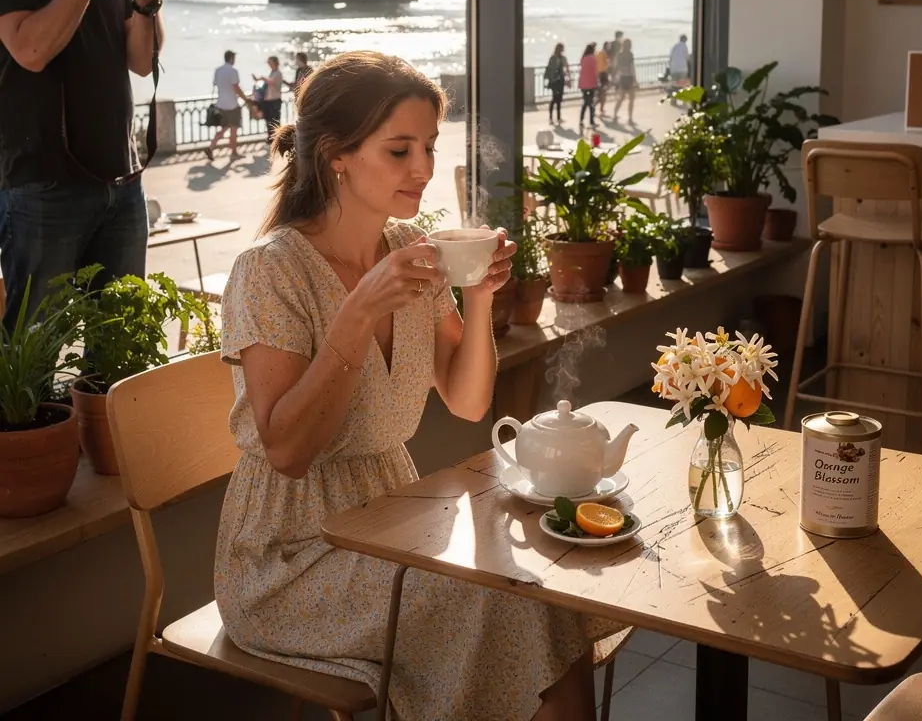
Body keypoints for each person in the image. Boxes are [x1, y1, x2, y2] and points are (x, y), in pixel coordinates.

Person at [214, 51, 619, 721]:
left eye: (429, 146)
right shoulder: (270, 271)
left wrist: (479, 297)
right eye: (399, 150)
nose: (424, 168)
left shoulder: (408, 248)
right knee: (512, 605)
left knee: (538, 591)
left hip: (390, 517)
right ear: (337, 156)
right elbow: (286, 451)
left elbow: (467, 400)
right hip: (290, 558)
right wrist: (356, 315)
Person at [0, 0, 171, 329]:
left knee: (123, 336)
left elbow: (140, 62)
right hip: (42, 185)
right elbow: (30, 50)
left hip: (121, 181)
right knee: (37, 343)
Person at [206, 50, 249, 162]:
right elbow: (236, 87)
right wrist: (245, 98)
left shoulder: (218, 70)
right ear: (231, 58)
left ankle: (211, 147)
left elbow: (215, 84)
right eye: (234, 58)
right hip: (232, 105)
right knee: (233, 129)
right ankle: (234, 153)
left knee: (225, 127)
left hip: (220, 104)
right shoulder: (233, 71)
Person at [252, 55, 284, 148]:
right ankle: (271, 139)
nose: (268, 64)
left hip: (274, 101)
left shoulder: (278, 73)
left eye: (270, 62)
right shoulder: (272, 73)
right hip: (268, 101)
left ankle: (277, 140)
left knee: (275, 121)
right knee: (268, 120)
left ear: (275, 63)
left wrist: (262, 78)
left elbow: (271, 82)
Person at [543, 42, 570, 125]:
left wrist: (568, 79)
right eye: (561, 48)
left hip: (560, 81)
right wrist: (547, 80)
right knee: (554, 99)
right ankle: (551, 118)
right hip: (554, 81)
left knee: (559, 99)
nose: (562, 50)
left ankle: (558, 118)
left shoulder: (562, 58)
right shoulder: (553, 58)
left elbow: (566, 68)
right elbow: (549, 69)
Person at [612, 37, 637, 126]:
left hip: (622, 78)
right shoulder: (630, 55)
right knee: (631, 99)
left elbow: (616, 67)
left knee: (621, 98)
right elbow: (632, 68)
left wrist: (615, 78)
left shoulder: (619, 54)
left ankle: (615, 114)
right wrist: (635, 80)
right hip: (629, 78)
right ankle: (630, 118)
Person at [578, 42, 599, 130]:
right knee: (590, 104)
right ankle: (591, 121)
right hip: (591, 84)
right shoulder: (593, 58)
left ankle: (581, 120)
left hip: (583, 84)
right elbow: (595, 72)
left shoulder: (583, 58)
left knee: (586, 103)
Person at [595, 41, 612, 115]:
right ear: (606, 46)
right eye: (609, 46)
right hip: (603, 74)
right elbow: (608, 63)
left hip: (599, 73)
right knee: (603, 93)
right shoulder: (604, 54)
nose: (610, 47)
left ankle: (600, 107)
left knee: (602, 93)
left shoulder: (598, 53)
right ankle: (599, 107)